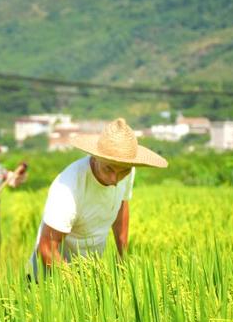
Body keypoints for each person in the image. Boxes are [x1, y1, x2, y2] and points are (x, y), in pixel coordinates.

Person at [29, 118, 167, 278]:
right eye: (109, 169)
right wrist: (76, 287)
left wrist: (123, 257)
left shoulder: (126, 170)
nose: (115, 179)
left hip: (90, 270)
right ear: (95, 157)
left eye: (123, 172)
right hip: (49, 276)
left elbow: (121, 205)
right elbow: (47, 248)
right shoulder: (69, 186)